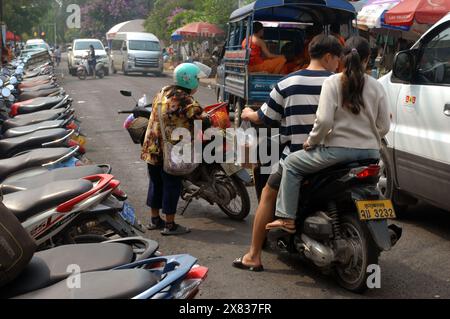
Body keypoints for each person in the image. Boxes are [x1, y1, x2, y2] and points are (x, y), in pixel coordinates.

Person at [232, 35, 343, 271]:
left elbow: (264, 118)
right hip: (339, 156)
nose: (338, 64)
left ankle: (253, 255)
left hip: (298, 155)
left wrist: (247, 114)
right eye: (337, 59)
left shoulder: (287, 83)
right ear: (328, 57)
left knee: (267, 195)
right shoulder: (340, 82)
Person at [266, 36, 391, 233]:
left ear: (343, 57)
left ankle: (287, 218)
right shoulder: (377, 86)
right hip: (371, 155)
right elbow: (384, 126)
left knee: (291, 163)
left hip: (337, 153)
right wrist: (370, 134)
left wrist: (312, 141)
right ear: (368, 60)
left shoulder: (333, 82)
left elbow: (323, 121)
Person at [141, 63, 209, 236]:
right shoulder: (184, 99)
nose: (198, 83)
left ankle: (155, 219)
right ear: (189, 80)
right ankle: (170, 225)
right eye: (197, 79)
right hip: (171, 150)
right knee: (172, 184)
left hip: (152, 146)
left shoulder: (163, 91)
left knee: (155, 182)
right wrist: (207, 119)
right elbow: (201, 117)